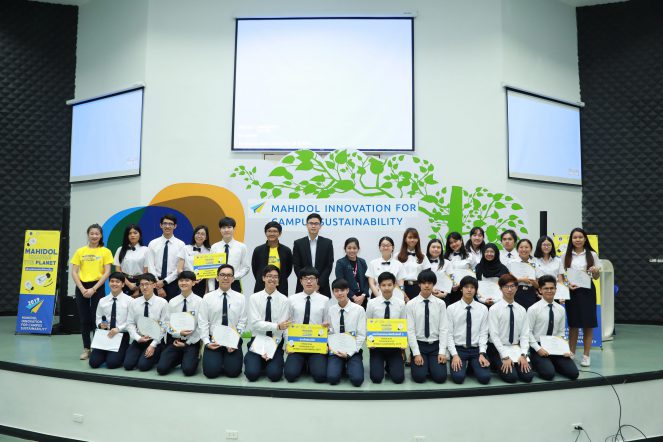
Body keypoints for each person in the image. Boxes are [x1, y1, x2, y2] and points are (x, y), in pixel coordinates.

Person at [558, 227, 601, 367]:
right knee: (573, 324)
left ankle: (586, 355)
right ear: (571, 239)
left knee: (588, 324)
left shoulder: (592, 255)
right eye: (575, 237)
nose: (578, 240)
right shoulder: (565, 255)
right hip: (572, 291)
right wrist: (567, 285)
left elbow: (596, 277)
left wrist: (595, 271)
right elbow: (561, 276)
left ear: (585, 239)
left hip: (588, 291)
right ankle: (571, 352)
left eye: (580, 237)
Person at [71, 223, 113, 360]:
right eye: (92, 233)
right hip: (81, 288)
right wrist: (82, 289)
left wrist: (94, 288)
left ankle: (97, 348)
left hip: (97, 287)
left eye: (97, 234)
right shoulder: (80, 251)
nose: (94, 236)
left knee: (97, 319)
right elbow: (74, 272)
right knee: (84, 319)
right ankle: (86, 349)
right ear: (88, 235)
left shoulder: (105, 251)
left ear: (101, 236)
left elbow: (107, 272)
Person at [198, 264, 247, 378]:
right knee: (210, 373)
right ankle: (218, 360)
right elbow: (203, 322)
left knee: (233, 373)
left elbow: (242, 322)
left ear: (233, 278)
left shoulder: (241, 298)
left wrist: (234, 340)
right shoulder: (207, 297)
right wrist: (207, 342)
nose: (225, 278)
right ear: (217, 277)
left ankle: (225, 361)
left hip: (233, 340)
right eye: (222, 275)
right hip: (213, 340)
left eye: (229, 275)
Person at [244, 265, 290, 382]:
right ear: (263, 278)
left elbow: (283, 328)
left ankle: (266, 363)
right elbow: (255, 324)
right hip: (257, 340)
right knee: (251, 375)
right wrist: (276, 326)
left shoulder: (284, 300)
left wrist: (273, 348)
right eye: (269, 276)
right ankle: (257, 360)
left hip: (275, 341)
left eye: (275, 277)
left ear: (278, 280)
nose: (272, 279)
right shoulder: (254, 298)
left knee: (274, 376)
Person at [528, 275, 579, 380]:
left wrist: (564, 349)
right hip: (538, 346)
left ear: (556, 289)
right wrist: (538, 349)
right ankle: (538, 362)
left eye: (552, 288)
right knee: (548, 374)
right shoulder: (533, 309)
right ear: (540, 290)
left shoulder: (561, 309)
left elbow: (560, 332)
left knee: (574, 374)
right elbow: (528, 332)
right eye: (546, 288)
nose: (549, 291)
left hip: (555, 346)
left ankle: (551, 363)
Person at [283, 267, 329, 383]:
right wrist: (288, 343)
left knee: (320, 377)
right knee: (290, 375)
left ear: (317, 281)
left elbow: (327, 325)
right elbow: (287, 324)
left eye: (312, 278)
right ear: (301, 281)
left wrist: (326, 344)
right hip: (297, 345)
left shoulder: (324, 300)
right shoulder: (292, 299)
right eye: (305, 278)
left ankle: (309, 363)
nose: (309, 281)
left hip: (316, 346)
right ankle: (303, 363)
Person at [487, 274, 534, 383]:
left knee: (528, 377)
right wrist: (504, 356)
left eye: (512, 286)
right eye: (506, 286)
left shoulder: (522, 310)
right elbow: (494, 336)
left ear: (517, 288)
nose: (509, 289)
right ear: (500, 289)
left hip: (515, 348)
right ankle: (495, 363)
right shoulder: (494, 309)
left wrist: (523, 354)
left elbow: (524, 335)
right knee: (511, 377)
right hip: (498, 348)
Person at [156, 271, 202, 376]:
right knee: (161, 369)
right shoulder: (172, 302)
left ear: (193, 283)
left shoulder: (200, 302)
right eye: (181, 280)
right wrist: (178, 333)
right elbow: (166, 323)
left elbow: (201, 326)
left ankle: (194, 357)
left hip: (191, 342)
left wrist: (188, 343)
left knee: (188, 370)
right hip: (175, 341)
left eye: (187, 280)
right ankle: (180, 357)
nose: (183, 283)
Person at [406, 270, 448, 383]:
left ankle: (431, 366)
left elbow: (444, 329)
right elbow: (410, 330)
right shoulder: (411, 304)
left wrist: (442, 351)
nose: (427, 285)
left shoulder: (441, 304)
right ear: (419, 284)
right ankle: (426, 365)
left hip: (435, 346)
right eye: (424, 283)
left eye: (429, 283)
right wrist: (416, 353)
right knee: (419, 378)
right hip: (420, 345)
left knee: (440, 378)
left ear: (433, 284)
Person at [447, 276, 491, 385]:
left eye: (472, 287)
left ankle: (473, 364)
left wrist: (482, 353)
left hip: (476, 350)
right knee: (458, 378)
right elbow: (449, 334)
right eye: (466, 287)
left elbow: (484, 333)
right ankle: (468, 364)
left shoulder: (483, 309)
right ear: (461, 289)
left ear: (476, 290)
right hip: (459, 349)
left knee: (485, 378)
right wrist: (454, 355)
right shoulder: (451, 308)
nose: (469, 290)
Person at [366, 272, 406, 384]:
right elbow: (367, 323)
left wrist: (403, 344)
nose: (386, 288)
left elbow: (403, 324)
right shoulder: (372, 303)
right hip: (377, 347)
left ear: (394, 285)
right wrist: (369, 342)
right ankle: (381, 363)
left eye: (389, 285)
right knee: (376, 378)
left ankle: (389, 365)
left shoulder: (401, 304)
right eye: (383, 285)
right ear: (379, 286)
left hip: (394, 346)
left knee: (398, 379)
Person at [325, 278, 366, 387]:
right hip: (336, 350)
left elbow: (361, 335)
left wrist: (349, 353)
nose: (339, 293)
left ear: (347, 290)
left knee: (357, 380)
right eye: (336, 291)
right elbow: (330, 333)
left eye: (342, 290)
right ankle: (341, 366)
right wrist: (326, 331)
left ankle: (350, 364)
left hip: (353, 350)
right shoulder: (330, 310)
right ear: (333, 292)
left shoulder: (359, 310)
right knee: (332, 379)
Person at [123, 273, 168, 371]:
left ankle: (158, 352)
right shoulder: (134, 302)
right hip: (139, 339)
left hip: (155, 339)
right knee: (128, 365)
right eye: (142, 284)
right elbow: (130, 323)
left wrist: (153, 345)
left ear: (154, 285)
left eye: (147, 284)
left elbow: (164, 326)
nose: (144, 287)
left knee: (143, 366)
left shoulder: (163, 303)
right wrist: (137, 338)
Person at [89, 272, 132, 369]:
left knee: (112, 363)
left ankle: (125, 348)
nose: (114, 284)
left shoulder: (129, 301)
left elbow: (131, 322)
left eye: (117, 282)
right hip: (105, 335)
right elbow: (98, 317)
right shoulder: (102, 301)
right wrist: (100, 325)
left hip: (121, 335)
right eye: (112, 281)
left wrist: (119, 329)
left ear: (123, 284)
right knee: (93, 363)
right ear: (108, 283)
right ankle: (108, 353)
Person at [292, 213, 334, 298]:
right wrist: (305, 282)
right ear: (307, 225)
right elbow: (296, 266)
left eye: (316, 223)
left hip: (322, 287)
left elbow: (328, 266)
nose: (313, 226)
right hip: (303, 287)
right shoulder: (298, 243)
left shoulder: (327, 243)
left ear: (320, 226)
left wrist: (318, 284)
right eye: (311, 223)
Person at [147, 214, 185, 300]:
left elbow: (179, 267)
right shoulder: (152, 243)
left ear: (175, 226)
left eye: (170, 224)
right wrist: (158, 285)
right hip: (155, 282)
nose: (167, 226)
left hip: (173, 282)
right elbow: (150, 266)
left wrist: (165, 281)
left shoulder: (181, 245)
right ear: (161, 225)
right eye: (165, 223)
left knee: (173, 307)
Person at [251, 221, 293, 295]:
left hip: (281, 286)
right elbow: (255, 269)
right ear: (265, 233)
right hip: (261, 286)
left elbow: (288, 270)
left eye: (275, 231)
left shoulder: (286, 250)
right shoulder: (258, 250)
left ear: (280, 233)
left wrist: (277, 278)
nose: (272, 234)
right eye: (269, 231)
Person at [209, 217, 250, 293]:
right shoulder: (214, 247)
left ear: (234, 229)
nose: (226, 230)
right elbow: (210, 269)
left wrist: (233, 277)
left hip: (235, 283)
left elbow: (246, 268)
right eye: (223, 227)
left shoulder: (241, 247)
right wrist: (211, 289)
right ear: (219, 229)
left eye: (229, 227)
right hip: (218, 284)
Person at [113, 224, 148, 297]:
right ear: (127, 236)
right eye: (130, 233)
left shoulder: (146, 250)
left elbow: (146, 271)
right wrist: (129, 284)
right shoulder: (120, 249)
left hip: (141, 283)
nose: (132, 235)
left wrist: (137, 288)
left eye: (135, 233)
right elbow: (118, 270)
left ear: (140, 235)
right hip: (124, 282)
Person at [397, 228, 431, 302]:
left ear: (418, 239)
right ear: (405, 239)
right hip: (401, 288)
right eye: (410, 237)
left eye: (415, 237)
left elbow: (427, 276)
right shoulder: (397, 256)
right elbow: (394, 276)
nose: (412, 240)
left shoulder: (423, 256)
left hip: (418, 288)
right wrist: (403, 294)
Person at [177, 225, 211, 297]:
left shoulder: (209, 252)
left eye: (202, 234)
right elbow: (179, 269)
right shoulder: (185, 248)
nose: (199, 236)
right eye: (197, 233)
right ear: (194, 235)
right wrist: (186, 279)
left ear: (206, 237)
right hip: (186, 282)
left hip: (200, 283)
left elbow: (209, 271)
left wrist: (201, 278)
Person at [334, 237, 369, 308]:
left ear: (358, 249)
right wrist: (354, 297)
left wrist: (363, 295)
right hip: (347, 298)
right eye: (349, 248)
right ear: (345, 249)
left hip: (362, 298)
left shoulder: (362, 262)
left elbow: (367, 280)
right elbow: (340, 282)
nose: (352, 250)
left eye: (354, 248)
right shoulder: (340, 263)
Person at [443, 232, 475, 306]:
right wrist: (451, 284)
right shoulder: (445, 257)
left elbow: (474, 272)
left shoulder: (469, 256)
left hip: (466, 289)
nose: (454, 244)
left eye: (455, 241)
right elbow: (444, 273)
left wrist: (462, 283)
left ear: (461, 240)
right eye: (451, 243)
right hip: (448, 290)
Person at [508, 239, 539, 310]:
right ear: (517, 249)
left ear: (531, 249)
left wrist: (534, 283)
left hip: (531, 293)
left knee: (530, 314)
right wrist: (521, 280)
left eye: (526, 247)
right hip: (514, 292)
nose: (524, 249)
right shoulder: (511, 263)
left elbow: (538, 286)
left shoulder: (535, 263)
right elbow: (508, 281)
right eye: (521, 247)